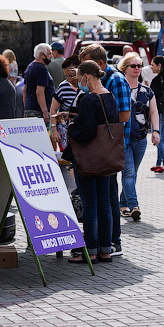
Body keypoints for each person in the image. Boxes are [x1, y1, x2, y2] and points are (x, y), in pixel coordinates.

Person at [78, 43, 131, 257]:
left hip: (106, 150)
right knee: (105, 201)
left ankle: (109, 242)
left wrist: (89, 125)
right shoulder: (105, 91)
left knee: (104, 200)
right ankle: (105, 246)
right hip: (105, 149)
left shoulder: (115, 81)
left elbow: (124, 116)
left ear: (98, 65)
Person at [65, 60, 117, 265]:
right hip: (106, 157)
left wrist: (70, 128)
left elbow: (86, 131)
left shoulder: (89, 99)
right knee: (104, 203)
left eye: (79, 79)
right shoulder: (110, 96)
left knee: (90, 205)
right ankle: (106, 250)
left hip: (88, 158)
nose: (78, 84)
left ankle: (91, 251)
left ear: (87, 76)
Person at [117, 52, 160, 220]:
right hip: (123, 139)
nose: (137, 68)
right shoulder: (119, 89)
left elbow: (153, 112)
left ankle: (122, 203)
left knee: (132, 174)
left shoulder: (147, 91)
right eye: (133, 66)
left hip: (141, 138)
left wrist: (156, 131)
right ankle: (134, 205)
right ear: (124, 68)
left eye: (139, 66)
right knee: (128, 173)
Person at [150, 56, 164, 172]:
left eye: (152, 65)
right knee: (160, 138)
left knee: (157, 138)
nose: (151, 67)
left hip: (159, 112)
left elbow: (154, 97)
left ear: (159, 66)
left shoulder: (158, 80)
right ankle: (159, 163)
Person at [23, 43, 54, 123]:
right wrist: (45, 112)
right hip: (38, 111)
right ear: (42, 55)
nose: (52, 56)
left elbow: (24, 90)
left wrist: (25, 108)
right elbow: (39, 92)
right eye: (49, 53)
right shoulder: (42, 69)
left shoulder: (30, 67)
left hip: (29, 108)